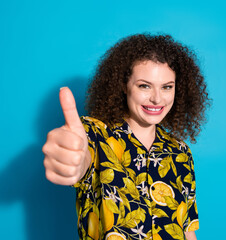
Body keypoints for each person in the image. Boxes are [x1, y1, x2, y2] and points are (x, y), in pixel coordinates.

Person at [42, 33, 210, 240]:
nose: (157, 98)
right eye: (144, 86)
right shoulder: (94, 135)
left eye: (167, 87)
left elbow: (187, 230)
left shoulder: (180, 152)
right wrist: (70, 161)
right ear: (124, 85)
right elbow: (80, 157)